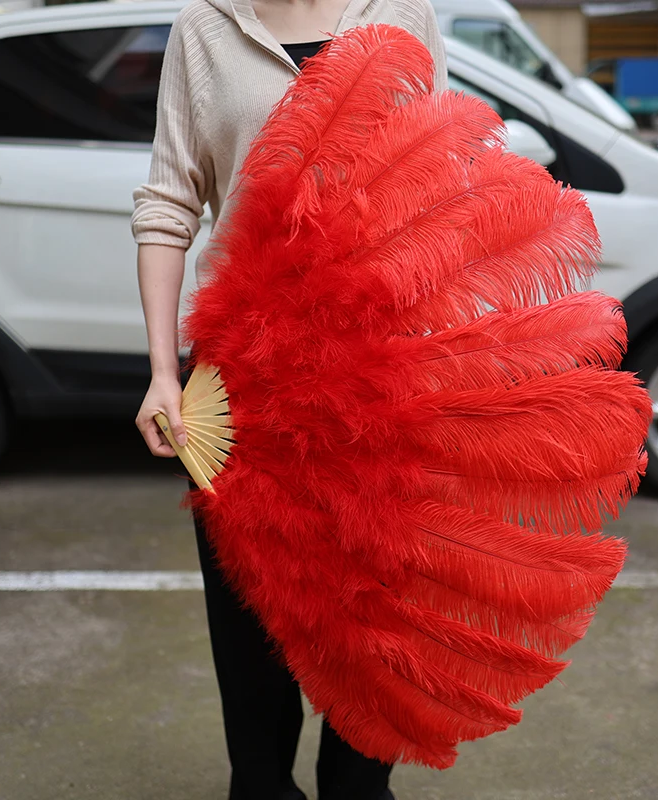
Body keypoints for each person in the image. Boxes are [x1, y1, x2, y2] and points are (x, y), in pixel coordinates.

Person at [131, 1, 448, 799]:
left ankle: (357, 786)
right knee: (252, 638)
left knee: (370, 630)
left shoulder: (404, 11)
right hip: (240, 385)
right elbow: (169, 202)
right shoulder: (204, 26)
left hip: (378, 377)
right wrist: (163, 371)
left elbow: (443, 184)